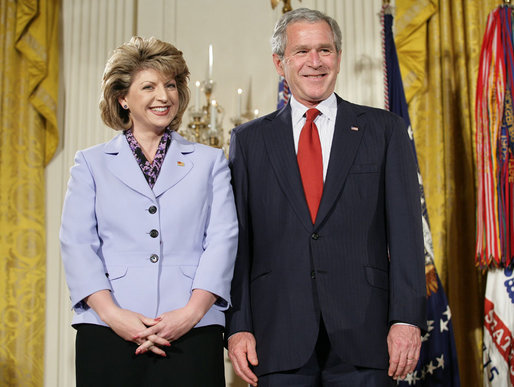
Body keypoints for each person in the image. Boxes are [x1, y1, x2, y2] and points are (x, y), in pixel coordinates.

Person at [227, 8, 427, 386]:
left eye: (325, 50)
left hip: (367, 333)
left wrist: (406, 318)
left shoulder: (384, 130)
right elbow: (238, 245)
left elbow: (406, 236)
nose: (315, 62)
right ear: (279, 62)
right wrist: (238, 326)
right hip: (276, 335)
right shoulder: (249, 141)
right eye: (301, 52)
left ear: (338, 56)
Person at [59, 36, 238, 387]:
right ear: (123, 98)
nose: (164, 96)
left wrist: (190, 314)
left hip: (192, 331)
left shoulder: (210, 161)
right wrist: (115, 316)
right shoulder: (91, 163)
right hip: (108, 330)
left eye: (170, 85)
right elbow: (77, 244)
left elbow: (222, 240)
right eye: (149, 86)